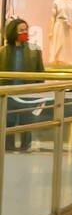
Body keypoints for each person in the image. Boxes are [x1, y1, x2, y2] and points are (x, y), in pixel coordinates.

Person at [0, 17, 45, 151]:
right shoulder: (3, 52)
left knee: (27, 122)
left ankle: (26, 147)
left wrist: (38, 93)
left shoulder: (35, 51)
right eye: (21, 30)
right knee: (8, 122)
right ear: (13, 32)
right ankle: (8, 148)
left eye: (26, 29)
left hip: (27, 93)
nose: (24, 32)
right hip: (8, 94)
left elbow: (40, 73)